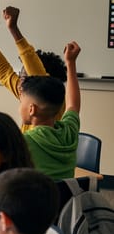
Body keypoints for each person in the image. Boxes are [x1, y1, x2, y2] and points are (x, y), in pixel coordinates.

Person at [0, 3, 67, 129]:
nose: (19, 83)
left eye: (26, 78)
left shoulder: (51, 107)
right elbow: (4, 72)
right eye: (20, 76)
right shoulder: (29, 93)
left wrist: (14, 29)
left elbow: (33, 65)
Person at [20, 41, 81, 180]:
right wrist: (70, 63)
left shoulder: (23, 142)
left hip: (36, 201)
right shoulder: (69, 132)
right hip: (65, 201)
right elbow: (73, 105)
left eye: (21, 101)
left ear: (32, 109)